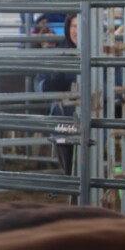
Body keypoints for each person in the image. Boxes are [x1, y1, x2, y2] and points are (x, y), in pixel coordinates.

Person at [34, 12, 79, 175]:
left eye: (81, 26)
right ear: (68, 28)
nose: (77, 31)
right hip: (62, 119)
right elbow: (39, 83)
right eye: (74, 26)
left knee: (89, 160)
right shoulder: (58, 53)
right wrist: (49, 84)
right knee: (67, 163)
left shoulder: (101, 52)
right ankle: (72, 193)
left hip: (93, 118)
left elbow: (115, 83)